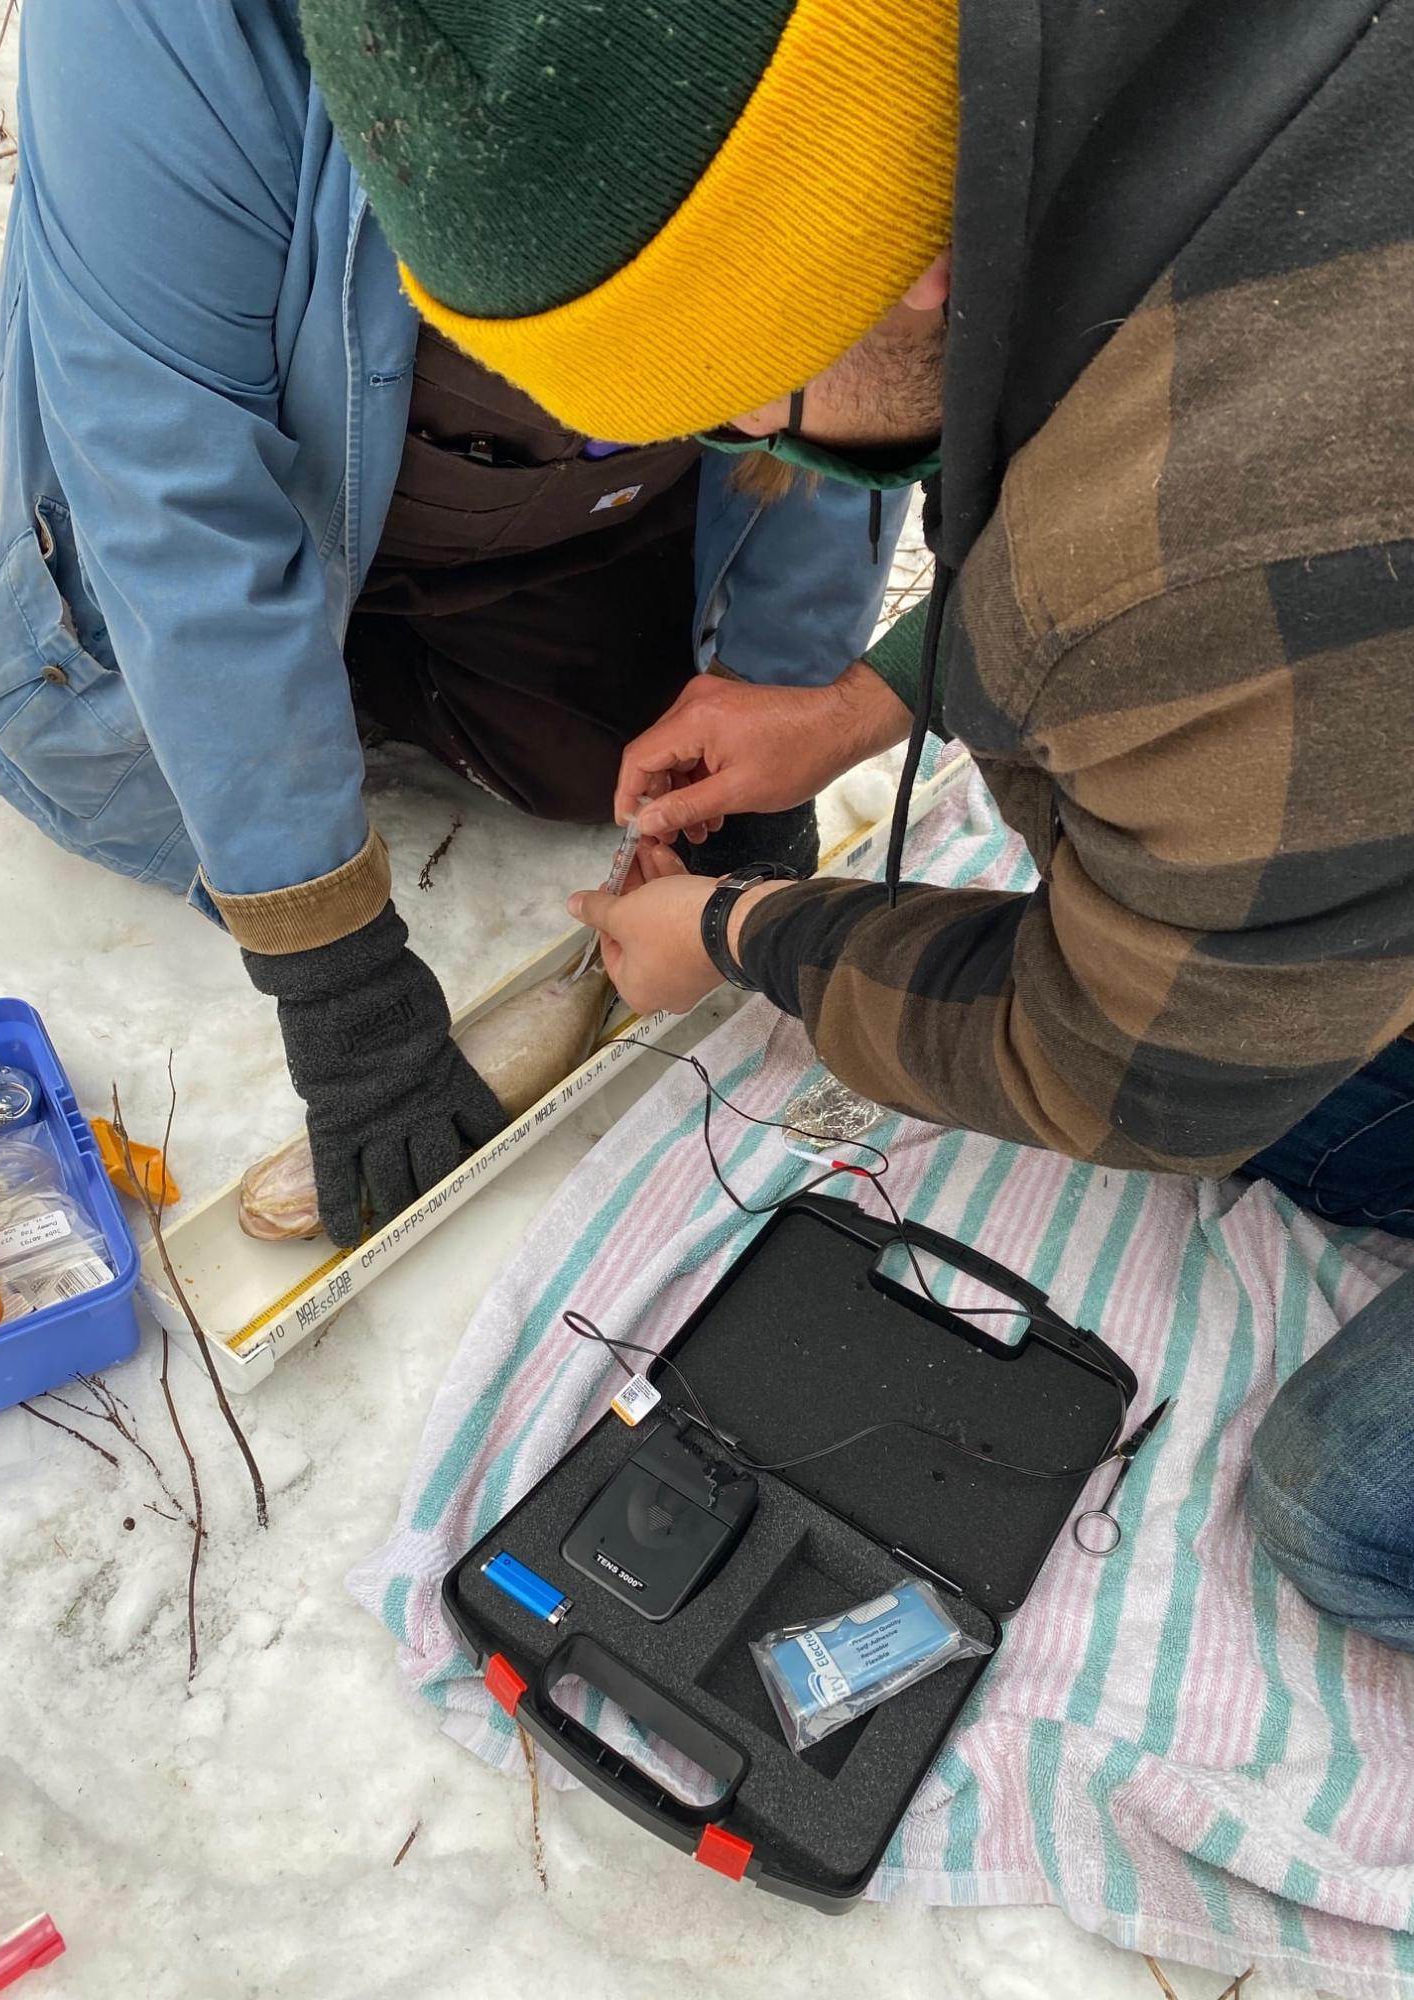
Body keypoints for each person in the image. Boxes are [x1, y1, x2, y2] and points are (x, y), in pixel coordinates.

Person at [303, 0, 1414, 1647]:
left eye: (742, 385)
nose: (753, 439)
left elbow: (1127, 1064)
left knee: (1341, 1513)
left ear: (905, 260)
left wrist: (742, 936)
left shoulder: (1194, 549)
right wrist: (857, 705)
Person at [0, 0, 909, 1252]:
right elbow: (180, 515)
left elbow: (840, 394)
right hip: (237, 429)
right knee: (120, 735)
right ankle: (10, 423)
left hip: (530, 481)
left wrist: (788, 694)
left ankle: (372, 642)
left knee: (612, 756)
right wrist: (335, 976)